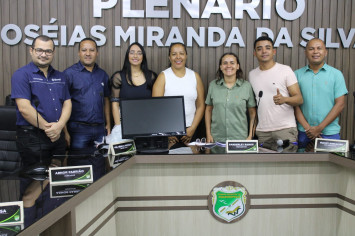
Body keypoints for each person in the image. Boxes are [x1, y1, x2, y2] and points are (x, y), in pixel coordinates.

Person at [11, 35, 71, 226]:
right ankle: (28, 228)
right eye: (40, 50)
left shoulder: (60, 76)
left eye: (48, 51)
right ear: (31, 51)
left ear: (53, 53)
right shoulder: (22, 75)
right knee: (32, 189)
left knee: (55, 182)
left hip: (57, 137)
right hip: (33, 139)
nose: (44, 54)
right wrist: (49, 128)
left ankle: (49, 225)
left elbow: (67, 103)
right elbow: (24, 108)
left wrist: (60, 126)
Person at [249, 36, 303, 151]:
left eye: (267, 48)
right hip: (263, 132)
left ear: (273, 51)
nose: (264, 51)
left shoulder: (285, 70)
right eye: (259, 49)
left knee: (287, 167)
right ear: (254, 53)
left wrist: (285, 99)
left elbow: (299, 99)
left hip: (285, 129)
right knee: (264, 168)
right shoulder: (252, 74)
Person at [294, 38, 348, 148]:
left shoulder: (336, 74)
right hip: (304, 132)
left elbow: (340, 104)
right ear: (306, 53)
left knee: (333, 165)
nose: (315, 52)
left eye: (319, 48)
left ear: (325, 52)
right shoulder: (297, 75)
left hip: (330, 132)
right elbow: (295, 105)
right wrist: (308, 129)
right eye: (311, 49)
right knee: (302, 165)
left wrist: (319, 128)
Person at [152, 42, 205, 145]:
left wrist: (192, 128)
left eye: (181, 53)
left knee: (191, 160)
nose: (178, 57)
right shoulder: (163, 77)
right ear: (169, 57)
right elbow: (156, 107)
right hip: (168, 133)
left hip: (191, 131)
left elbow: (201, 105)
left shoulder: (195, 76)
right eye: (174, 54)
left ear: (186, 55)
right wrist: (167, 131)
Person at [64, 38, 111, 150]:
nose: (88, 54)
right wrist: (65, 131)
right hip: (78, 130)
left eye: (92, 50)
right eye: (84, 50)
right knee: (79, 164)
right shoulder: (69, 74)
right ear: (79, 53)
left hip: (100, 129)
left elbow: (106, 100)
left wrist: (108, 124)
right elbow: (63, 103)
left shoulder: (102, 74)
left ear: (97, 53)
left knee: (100, 163)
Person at [205, 52, 256, 143]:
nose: (228, 66)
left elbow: (252, 113)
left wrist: (250, 136)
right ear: (220, 67)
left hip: (240, 139)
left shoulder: (246, 86)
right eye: (225, 63)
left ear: (237, 66)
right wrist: (208, 134)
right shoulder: (213, 85)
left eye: (232, 63)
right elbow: (208, 110)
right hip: (217, 139)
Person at [111, 42, 157, 127]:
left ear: (143, 57)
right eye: (132, 53)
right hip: (125, 125)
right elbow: (115, 105)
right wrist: (118, 127)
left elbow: (156, 104)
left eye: (139, 53)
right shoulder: (118, 77)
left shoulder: (151, 77)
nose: (135, 56)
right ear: (127, 56)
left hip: (148, 125)